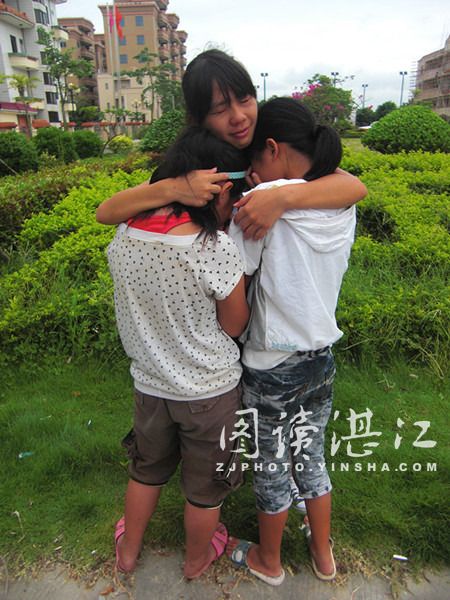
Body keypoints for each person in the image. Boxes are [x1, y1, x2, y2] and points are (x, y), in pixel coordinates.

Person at [107, 125, 250, 579]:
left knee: (146, 470)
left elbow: (109, 210)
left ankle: (129, 551)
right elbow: (234, 324)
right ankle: (195, 560)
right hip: (210, 392)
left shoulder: (124, 233)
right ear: (220, 189)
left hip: (150, 386)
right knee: (205, 489)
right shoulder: (214, 247)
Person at [225, 97, 357, 586]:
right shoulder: (339, 200)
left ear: (272, 148)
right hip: (320, 358)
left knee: (272, 467)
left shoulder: (259, 205)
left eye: (254, 159)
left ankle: (270, 561)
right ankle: (323, 555)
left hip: (271, 364)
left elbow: (234, 280)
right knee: (311, 455)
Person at [96, 50, 367, 239]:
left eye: (245, 100)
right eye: (220, 109)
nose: (238, 117)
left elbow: (353, 186)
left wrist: (279, 198)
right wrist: (174, 188)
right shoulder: (198, 161)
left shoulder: (264, 140)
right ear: (199, 119)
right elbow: (107, 212)